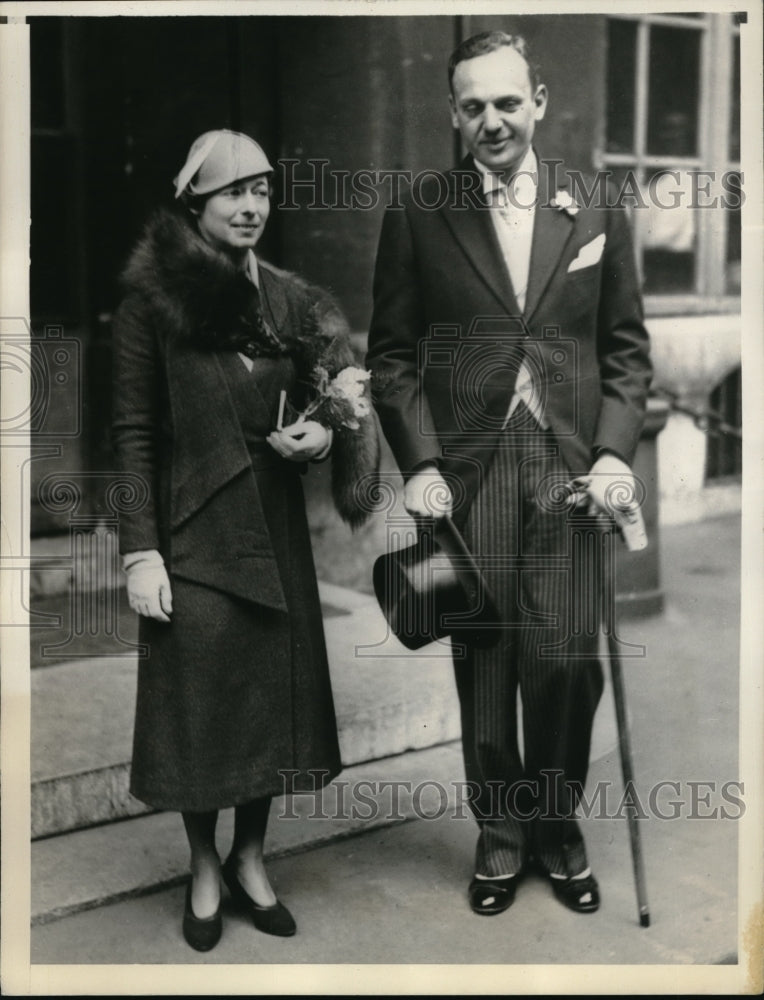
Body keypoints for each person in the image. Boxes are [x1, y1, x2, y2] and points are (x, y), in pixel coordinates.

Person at [367, 32, 652, 916]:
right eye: (472, 106)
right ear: (454, 114)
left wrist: (611, 452)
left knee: (565, 663)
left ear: (538, 102)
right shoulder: (422, 209)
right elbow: (392, 358)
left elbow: (626, 351)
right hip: (472, 472)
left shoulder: (597, 204)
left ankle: (555, 825)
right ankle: (500, 836)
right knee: (486, 662)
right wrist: (416, 462)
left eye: (506, 102)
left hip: (570, 468)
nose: (491, 121)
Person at [112, 129, 378, 950]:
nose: (252, 206)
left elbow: (329, 396)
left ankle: (251, 857)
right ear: (196, 201)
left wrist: (325, 439)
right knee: (202, 711)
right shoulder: (149, 303)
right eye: (233, 192)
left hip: (272, 530)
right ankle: (202, 865)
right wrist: (139, 550)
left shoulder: (291, 302)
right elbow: (132, 433)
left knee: (269, 708)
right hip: (191, 536)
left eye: (262, 191)